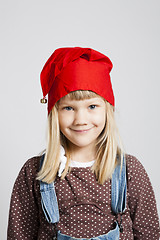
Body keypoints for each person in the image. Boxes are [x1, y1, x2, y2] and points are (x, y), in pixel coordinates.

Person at [7, 47, 160, 239]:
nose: (80, 119)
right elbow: (18, 235)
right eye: (68, 108)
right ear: (54, 114)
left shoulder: (130, 170)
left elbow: (149, 234)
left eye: (92, 106)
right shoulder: (33, 173)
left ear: (108, 110)